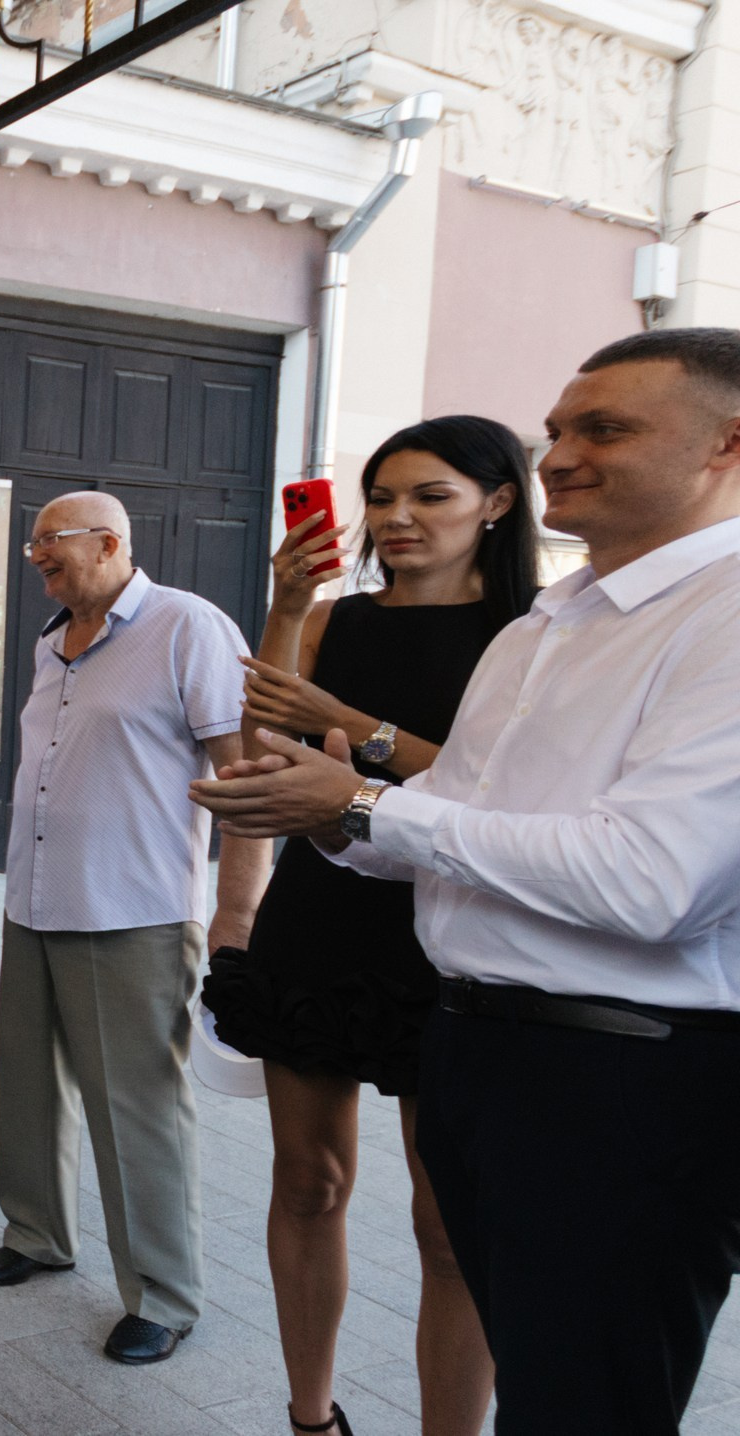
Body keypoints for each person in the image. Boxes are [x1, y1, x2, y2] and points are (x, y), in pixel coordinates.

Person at [193, 329, 740, 1434]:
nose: (560, 455)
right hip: (477, 1036)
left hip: (623, 1070)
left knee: (582, 1398)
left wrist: (356, 795)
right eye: (557, 431)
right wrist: (320, 812)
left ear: (726, 443)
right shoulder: (551, 624)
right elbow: (464, 808)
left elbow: (653, 880)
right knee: (537, 1371)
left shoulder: (716, 614)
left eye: (605, 429)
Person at [199, 418, 532, 1436]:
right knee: (308, 1180)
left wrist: (353, 726)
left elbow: (508, 791)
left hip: (455, 925)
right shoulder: (335, 617)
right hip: (321, 914)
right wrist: (288, 606)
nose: (396, 517)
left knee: (449, 1224)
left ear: (497, 503)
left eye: (430, 495)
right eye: (380, 497)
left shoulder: (529, 634)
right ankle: (312, 1418)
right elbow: (261, 750)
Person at [0, 490, 268, 1367]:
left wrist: (236, 914)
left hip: (133, 911)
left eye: (48, 541)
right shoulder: (51, 641)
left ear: (108, 543)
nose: (35, 555)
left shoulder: (187, 626)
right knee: (26, 1083)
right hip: (34, 901)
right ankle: (36, 1233)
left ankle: (163, 1296)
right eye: (31, 544)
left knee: (138, 1108)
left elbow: (244, 778)